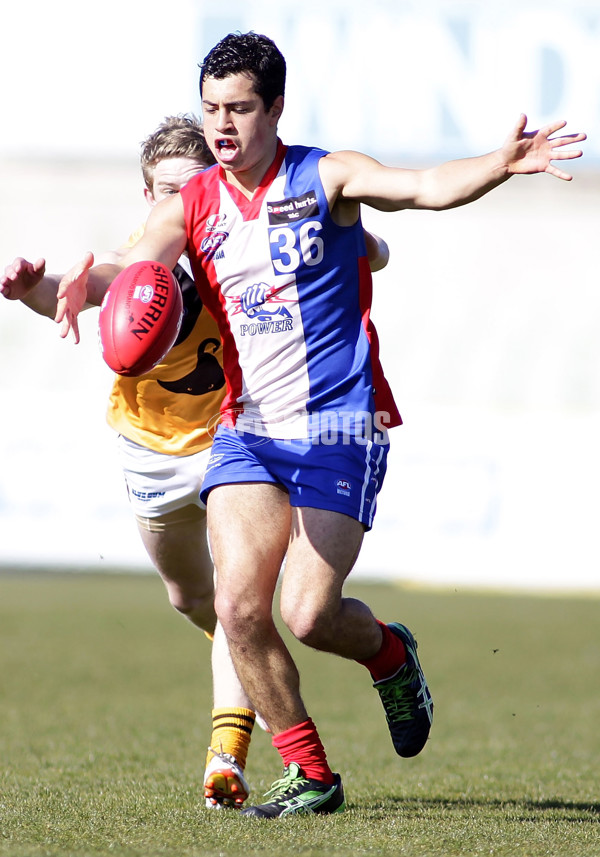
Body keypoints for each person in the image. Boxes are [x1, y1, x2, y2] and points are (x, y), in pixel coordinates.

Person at [52, 32, 585, 819]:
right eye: (210, 110)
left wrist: (497, 165)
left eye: (238, 108)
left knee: (309, 614)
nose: (222, 126)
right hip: (246, 428)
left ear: (275, 108)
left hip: (340, 424)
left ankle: (393, 656)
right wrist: (78, 282)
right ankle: (310, 772)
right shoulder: (193, 201)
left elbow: (424, 186)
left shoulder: (326, 175)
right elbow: (139, 264)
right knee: (236, 609)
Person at [0, 113, 390, 811]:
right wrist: (32, 285)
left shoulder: (245, 242)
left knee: (242, 604)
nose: (175, 202)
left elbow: (361, 248)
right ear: (147, 198)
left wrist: (356, 239)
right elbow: (82, 288)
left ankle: (227, 755)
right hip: (148, 448)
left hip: (231, 439)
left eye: (191, 186)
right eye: (162, 191)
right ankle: (247, 661)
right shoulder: (138, 262)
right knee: (194, 599)